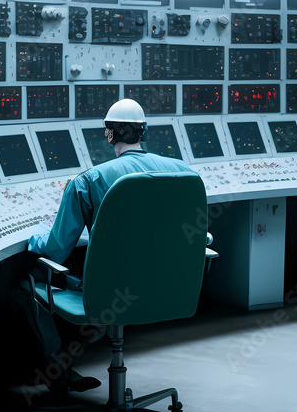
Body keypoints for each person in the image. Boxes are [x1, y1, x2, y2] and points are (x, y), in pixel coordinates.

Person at [15, 98, 196, 395]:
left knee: (28, 280)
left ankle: (57, 373)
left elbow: (55, 250)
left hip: (109, 297)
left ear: (109, 133)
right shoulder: (183, 173)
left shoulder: (90, 180)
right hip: (167, 292)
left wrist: (33, 235)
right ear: (144, 131)